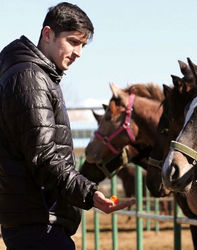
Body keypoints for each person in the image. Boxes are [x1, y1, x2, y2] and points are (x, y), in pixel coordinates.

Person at [0, 2, 135, 249]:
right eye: (73, 41)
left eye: (82, 45)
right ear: (48, 34)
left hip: (38, 219)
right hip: (38, 223)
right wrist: (90, 193)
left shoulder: (39, 75)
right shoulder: (31, 78)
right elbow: (44, 156)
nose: (79, 52)